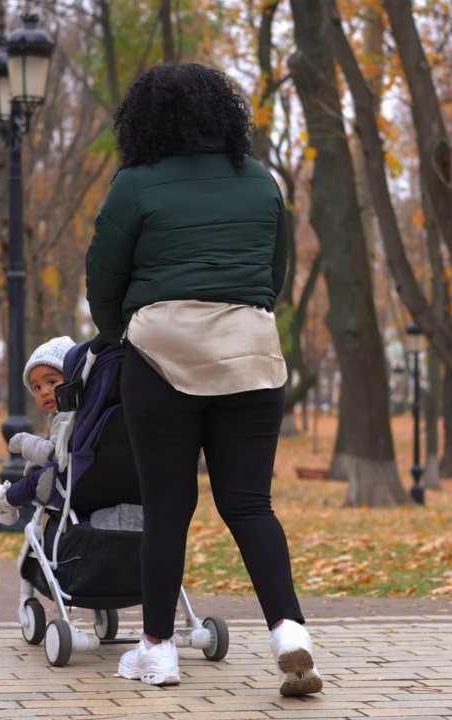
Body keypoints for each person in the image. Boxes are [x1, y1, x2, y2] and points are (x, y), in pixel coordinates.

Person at [84, 63, 320, 697]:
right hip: (250, 357)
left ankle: (158, 650)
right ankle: (289, 631)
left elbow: (102, 278)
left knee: (167, 507)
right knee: (250, 504)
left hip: (161, 356)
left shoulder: (135, 185)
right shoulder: (261, 182)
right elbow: (275, 275)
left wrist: (120, 334)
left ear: (145, 121)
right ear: (225, 116)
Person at [0, 336, 76, 524]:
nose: (44, 391)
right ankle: (7, 502)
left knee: (38, 476)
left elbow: (52, 453)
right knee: (38, 475)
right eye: (37, 387)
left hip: (66, 480)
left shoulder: (68, 415)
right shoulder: (66, 414)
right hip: (68, 479)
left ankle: (5, 500)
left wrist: (25, 442)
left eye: (52, 382)